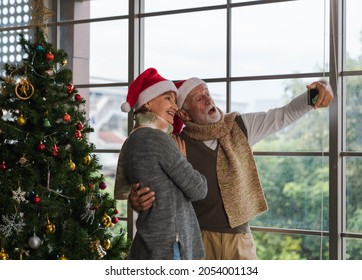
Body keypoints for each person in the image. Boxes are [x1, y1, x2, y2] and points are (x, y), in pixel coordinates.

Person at [128, 76, 334, 260]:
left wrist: (317, 92)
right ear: (185, 114)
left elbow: (283, 114)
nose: (209, 100)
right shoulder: (175, 145)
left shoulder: (240, 127)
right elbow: (155, 186)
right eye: (199, 99)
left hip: (239, 239)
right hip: (195, 240)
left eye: (207, 94)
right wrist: (135, 200)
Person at [114, 68, 208, 260]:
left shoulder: (132, 140)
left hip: (151, 244)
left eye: (175, 99)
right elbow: (199, 189)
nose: (175, 106)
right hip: (171, 246)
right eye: (168, 98)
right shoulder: (158, 139)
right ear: (147, 102)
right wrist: (183, 159)